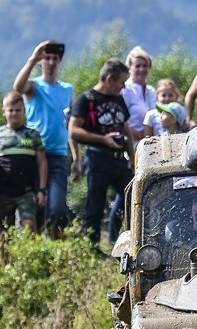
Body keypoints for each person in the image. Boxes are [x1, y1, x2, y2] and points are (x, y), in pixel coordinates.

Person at [13, 40, 80, 237]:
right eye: (47, 58)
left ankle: (51, 241)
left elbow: (72, 125)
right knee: (34, 204)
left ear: (59, 61)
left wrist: (76, 158)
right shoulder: (34, 86)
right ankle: (36, 243)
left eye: (54, 58)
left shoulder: (67, 89)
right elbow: (18, 87)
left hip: (58, 155)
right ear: (42, 62)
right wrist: (33, 59)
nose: (50, 62)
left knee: (57, 205)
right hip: (34, 154)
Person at [68, 59, 135, 245]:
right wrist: (102, 139)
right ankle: (92, 245)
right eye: (121, 83)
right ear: (108, 79)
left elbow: (126, 128)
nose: (122, 88)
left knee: (133, 196)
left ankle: (126, 240)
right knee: (95, 204)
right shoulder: (86, 100)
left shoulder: (118, 99)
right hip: (98, 159)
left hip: (119, 160)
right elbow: (74, 131)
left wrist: (131, 157)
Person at [0, 92, 47, 235]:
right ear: (4, 112)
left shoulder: (33, 134)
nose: (14, 114)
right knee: (4, 233)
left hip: (26, 191)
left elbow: (42, 162)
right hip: (2, 192)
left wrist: (42, 190)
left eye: (18, 110)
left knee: (29, 226)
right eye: (10, 110)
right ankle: (5, 258)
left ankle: (27, 256)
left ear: (24, 111)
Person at [122, 46, 156, 141]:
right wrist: (135, 133)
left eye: (145, 66)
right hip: (132, 142)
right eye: (137, 66)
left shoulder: (152, 91)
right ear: (130, 68)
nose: (141, 69)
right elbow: (120, 119)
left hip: (152, 141)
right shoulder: (125, 90)